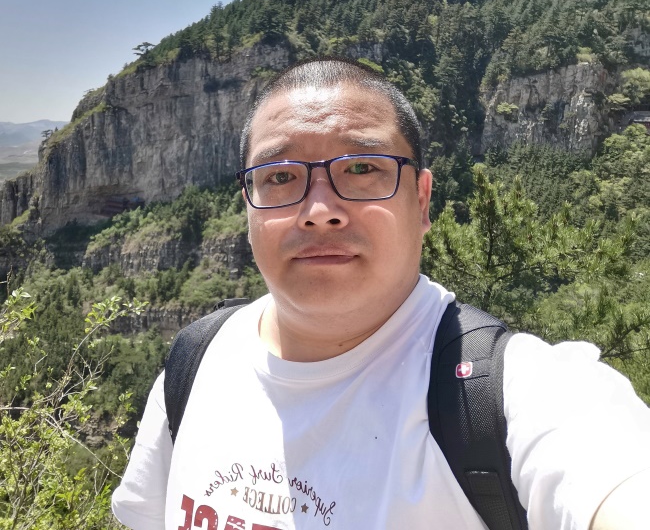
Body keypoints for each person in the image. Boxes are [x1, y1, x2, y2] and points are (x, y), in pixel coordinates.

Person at [112, 57, 650, 530]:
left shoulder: (516, 395)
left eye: (362, 168)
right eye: (280, 176)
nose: (319, 210)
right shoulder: (196, 361)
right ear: (248, 206)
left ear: (422, 201)